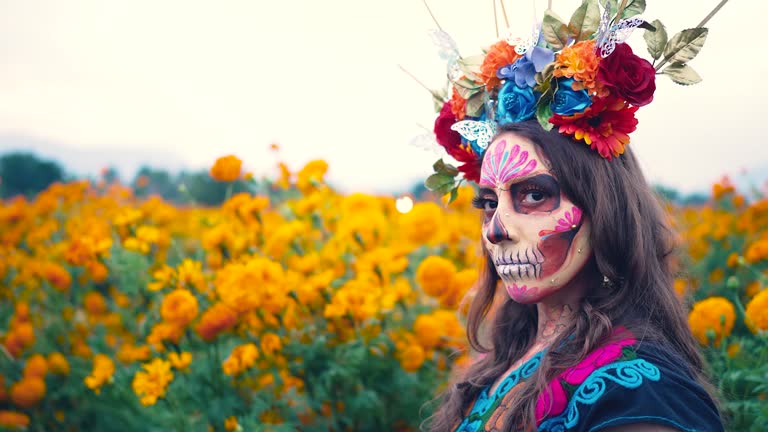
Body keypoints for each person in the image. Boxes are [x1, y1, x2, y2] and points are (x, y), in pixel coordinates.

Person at [416, 1, 729, 431]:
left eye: (533, 195)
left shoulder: (642, 392)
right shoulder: (503, 358)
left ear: (603, 210)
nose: (496, 229)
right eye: (489, 201)